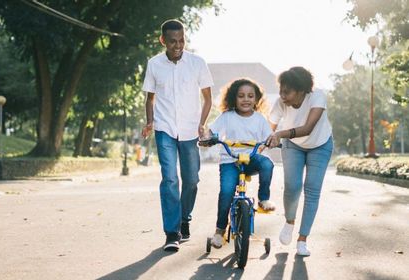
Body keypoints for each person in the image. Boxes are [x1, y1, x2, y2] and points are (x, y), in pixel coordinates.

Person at [141, 19, 213, 252]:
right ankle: (172, 232)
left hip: (191, 130)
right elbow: (150, 98)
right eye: (172, 41)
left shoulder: (197, 63)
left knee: (191, 180)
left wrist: (202, 124)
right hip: (164, 129)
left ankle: (184, 220)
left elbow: (208, 98)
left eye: (181, 40)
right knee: (170, 179)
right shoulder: (154, 64)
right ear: (163, 40)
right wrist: (150, 122)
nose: (178, 45)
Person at [266, 66, 333, 256]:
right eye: (281, 90)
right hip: (293, 146)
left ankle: (302, 240)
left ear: (302, 90)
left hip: (320, 144)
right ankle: (289, 221)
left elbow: (308, 128)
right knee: (292, 186)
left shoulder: (317, 97)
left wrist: (280, 134)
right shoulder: (281, 103)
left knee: (312, 189)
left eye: (287, 91)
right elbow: (268, 128)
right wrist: (264, 142)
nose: (282, 95)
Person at [204, 78, 275, 248]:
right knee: (227, 192)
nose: (246, 99)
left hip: (251, 159)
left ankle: (263, 199)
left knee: (267, 164)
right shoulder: (227, 116)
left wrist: (272, 141)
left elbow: (268, 137)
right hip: (230, 160)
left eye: (250, 96)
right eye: (241, 96)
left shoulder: (259, 119)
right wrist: (208, 138)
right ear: (233, 98)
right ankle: (219, 231)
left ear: (256, 99)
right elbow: (211, 131)